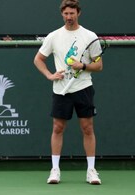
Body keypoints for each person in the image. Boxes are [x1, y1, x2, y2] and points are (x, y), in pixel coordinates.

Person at [33, 0, 103, 185]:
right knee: (58, 128)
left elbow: (99, 65)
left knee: (88, 128)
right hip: (61, 90)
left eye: (72, 13)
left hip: (83, 88)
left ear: (78, 13)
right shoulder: (54, 36)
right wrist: (49, 75)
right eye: (66, 14)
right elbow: (38, 59)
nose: (69, 17)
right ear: (62, 14)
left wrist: (83, 65)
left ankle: (91, 171)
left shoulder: (89, 36)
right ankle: (55, 170)